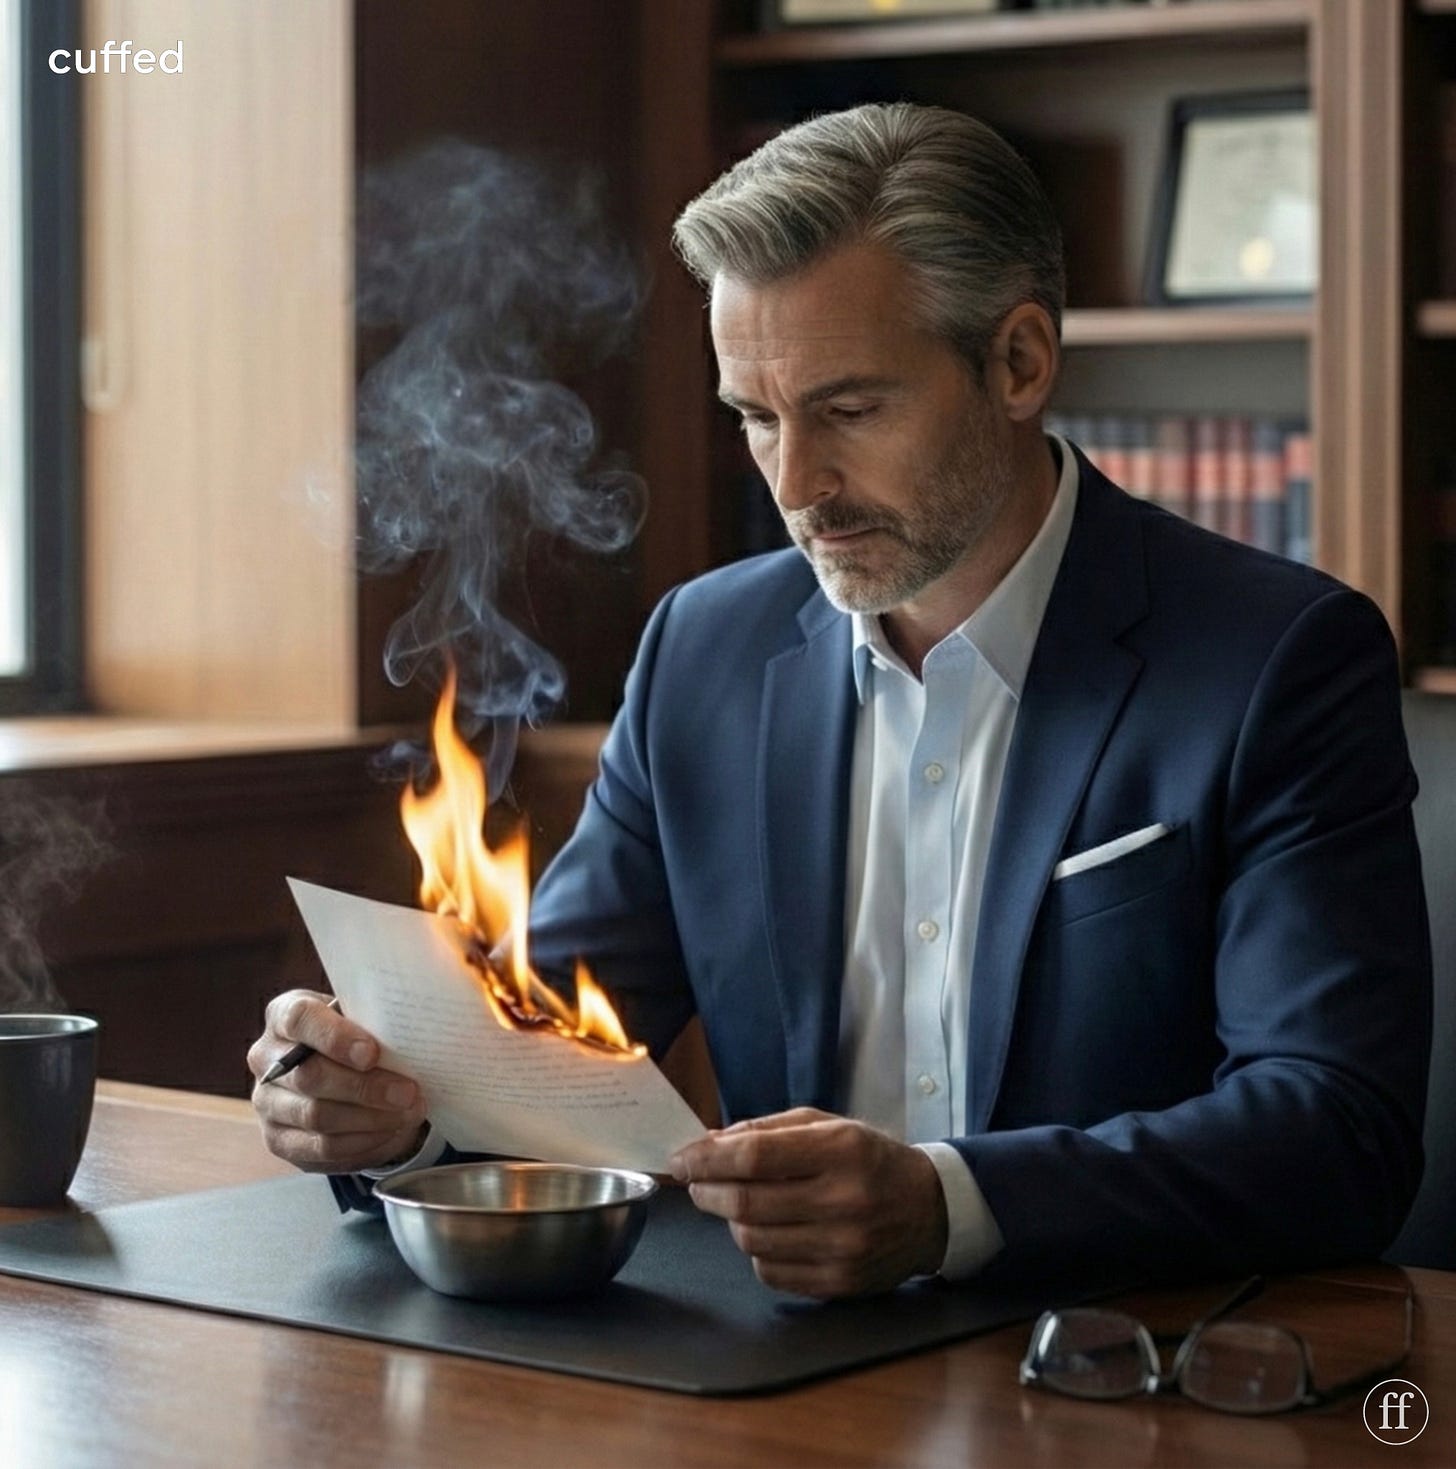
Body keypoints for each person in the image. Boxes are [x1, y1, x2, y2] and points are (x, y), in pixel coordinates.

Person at [249, 102, 1432, 1300]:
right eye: (757, 418)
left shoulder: (1278, 658)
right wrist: (394, 1117)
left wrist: (950, 1205)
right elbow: (541, 1070)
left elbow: (1337, 1132)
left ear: (1019, 362)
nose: (797, 484)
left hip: (1132, 1365)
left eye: (851, 409)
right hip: (785, 1376)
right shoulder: (703, 651)